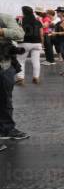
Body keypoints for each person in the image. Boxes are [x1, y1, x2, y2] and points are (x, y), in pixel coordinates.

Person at [0, 13, 27, 148]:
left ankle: (7, 129)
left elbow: (19, 34)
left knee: (6, 100)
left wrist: (2, 31)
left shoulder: (3, 18)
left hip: (4, 66)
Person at [15, 6, 43, 85]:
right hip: (37, 43)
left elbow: (16, 31)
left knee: (21, 61)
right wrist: (42, 43)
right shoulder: (38, 22)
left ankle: (20, 78)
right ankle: (36, 77)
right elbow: (41, 34)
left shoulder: (20, 20)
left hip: (24, 43)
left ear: (23, 12)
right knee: (36, 61)